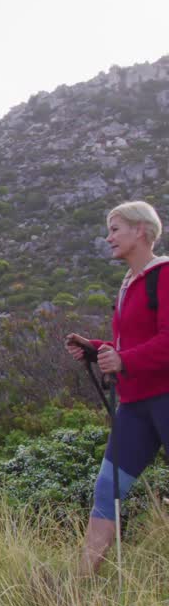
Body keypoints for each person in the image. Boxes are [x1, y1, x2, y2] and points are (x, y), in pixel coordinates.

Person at [65, 200, 169, 575]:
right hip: (136, 406)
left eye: (115, 229)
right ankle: (78, 588)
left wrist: (124, 360)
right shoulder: (129, 284)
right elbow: (133, 346)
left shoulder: (165, 275)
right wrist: (98, 351)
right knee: (106, 492)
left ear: (140, 231)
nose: (108, 237)